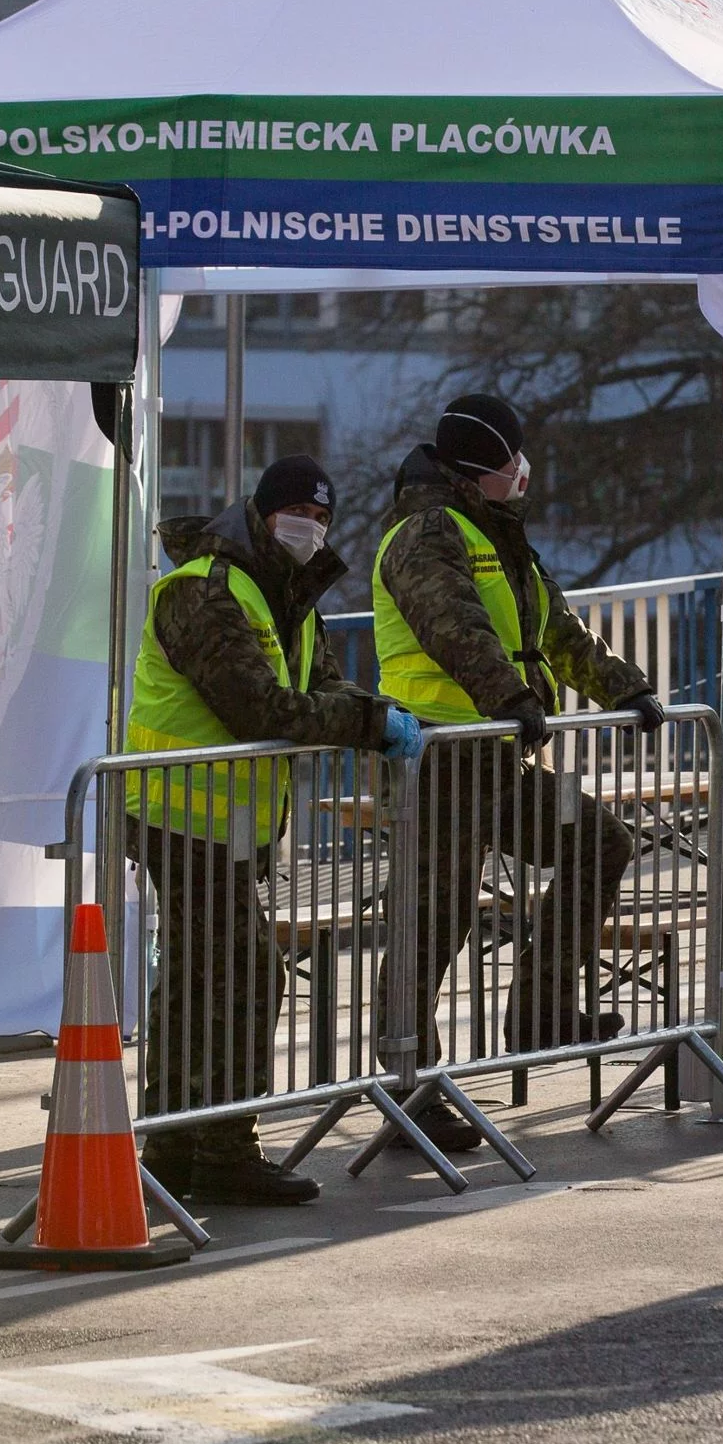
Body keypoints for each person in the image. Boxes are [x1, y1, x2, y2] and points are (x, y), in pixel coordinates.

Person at [372, 395, 666, 1149]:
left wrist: (623, 685)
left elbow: (558, 634)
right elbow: (453, 626)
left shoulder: (499, 537)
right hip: (433, 760)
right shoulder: (423, 534)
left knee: (600, 840)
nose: (523, 471)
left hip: (493, 754)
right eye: (512, 460)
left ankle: (539, 1008)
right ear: (477, 469)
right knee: (433, 919)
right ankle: (406, 1085)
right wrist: (508, 695)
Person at [124, 454, 418, 1204]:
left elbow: (314, 685)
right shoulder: (205, 589)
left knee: (203, 974)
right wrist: (370, 721)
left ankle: (179, 1140)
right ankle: (216, 1145)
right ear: (263, 513)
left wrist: (372, 714)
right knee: (243, 969)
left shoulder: (282, 595)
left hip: (226, 819)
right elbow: (258, 708)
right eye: (300, 514)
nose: (311, 530)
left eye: (322, 519)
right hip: (179, 812)